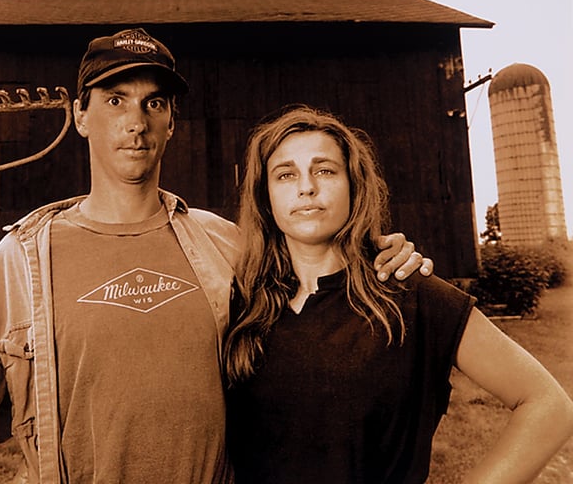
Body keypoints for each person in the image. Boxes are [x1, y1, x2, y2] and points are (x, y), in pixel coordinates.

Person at [0, 29, 430, 484]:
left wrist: (383, 255)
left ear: (172, 121)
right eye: (115, 100)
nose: (137, 121)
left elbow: (322, 292)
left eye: (154, 103)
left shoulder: (224, 244)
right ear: (80, 115)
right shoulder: (23, 255)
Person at [223, 104, 573, 484]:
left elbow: (548, 406)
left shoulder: (410, 293)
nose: (306, 187)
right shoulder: (242, 303)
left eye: (324, 170)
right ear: (265, 197)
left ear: (354, 186)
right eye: (285, 174)